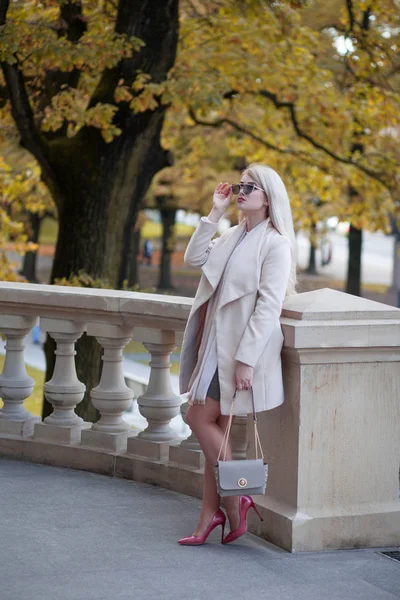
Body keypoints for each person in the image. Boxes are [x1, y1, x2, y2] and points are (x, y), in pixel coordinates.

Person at [178, 163, 297, 546]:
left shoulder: (275, 244)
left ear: (268, 198)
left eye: (250, 188)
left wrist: (246, 359)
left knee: (197, 415)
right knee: (215, 427)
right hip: (214, 347)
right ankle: (213, 514)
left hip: (238, 353)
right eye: (240, 185)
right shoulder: (231, 235)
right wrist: (215, 212)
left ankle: (232, 503)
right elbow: (193, 258)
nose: (241, 192)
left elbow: (268, 306)